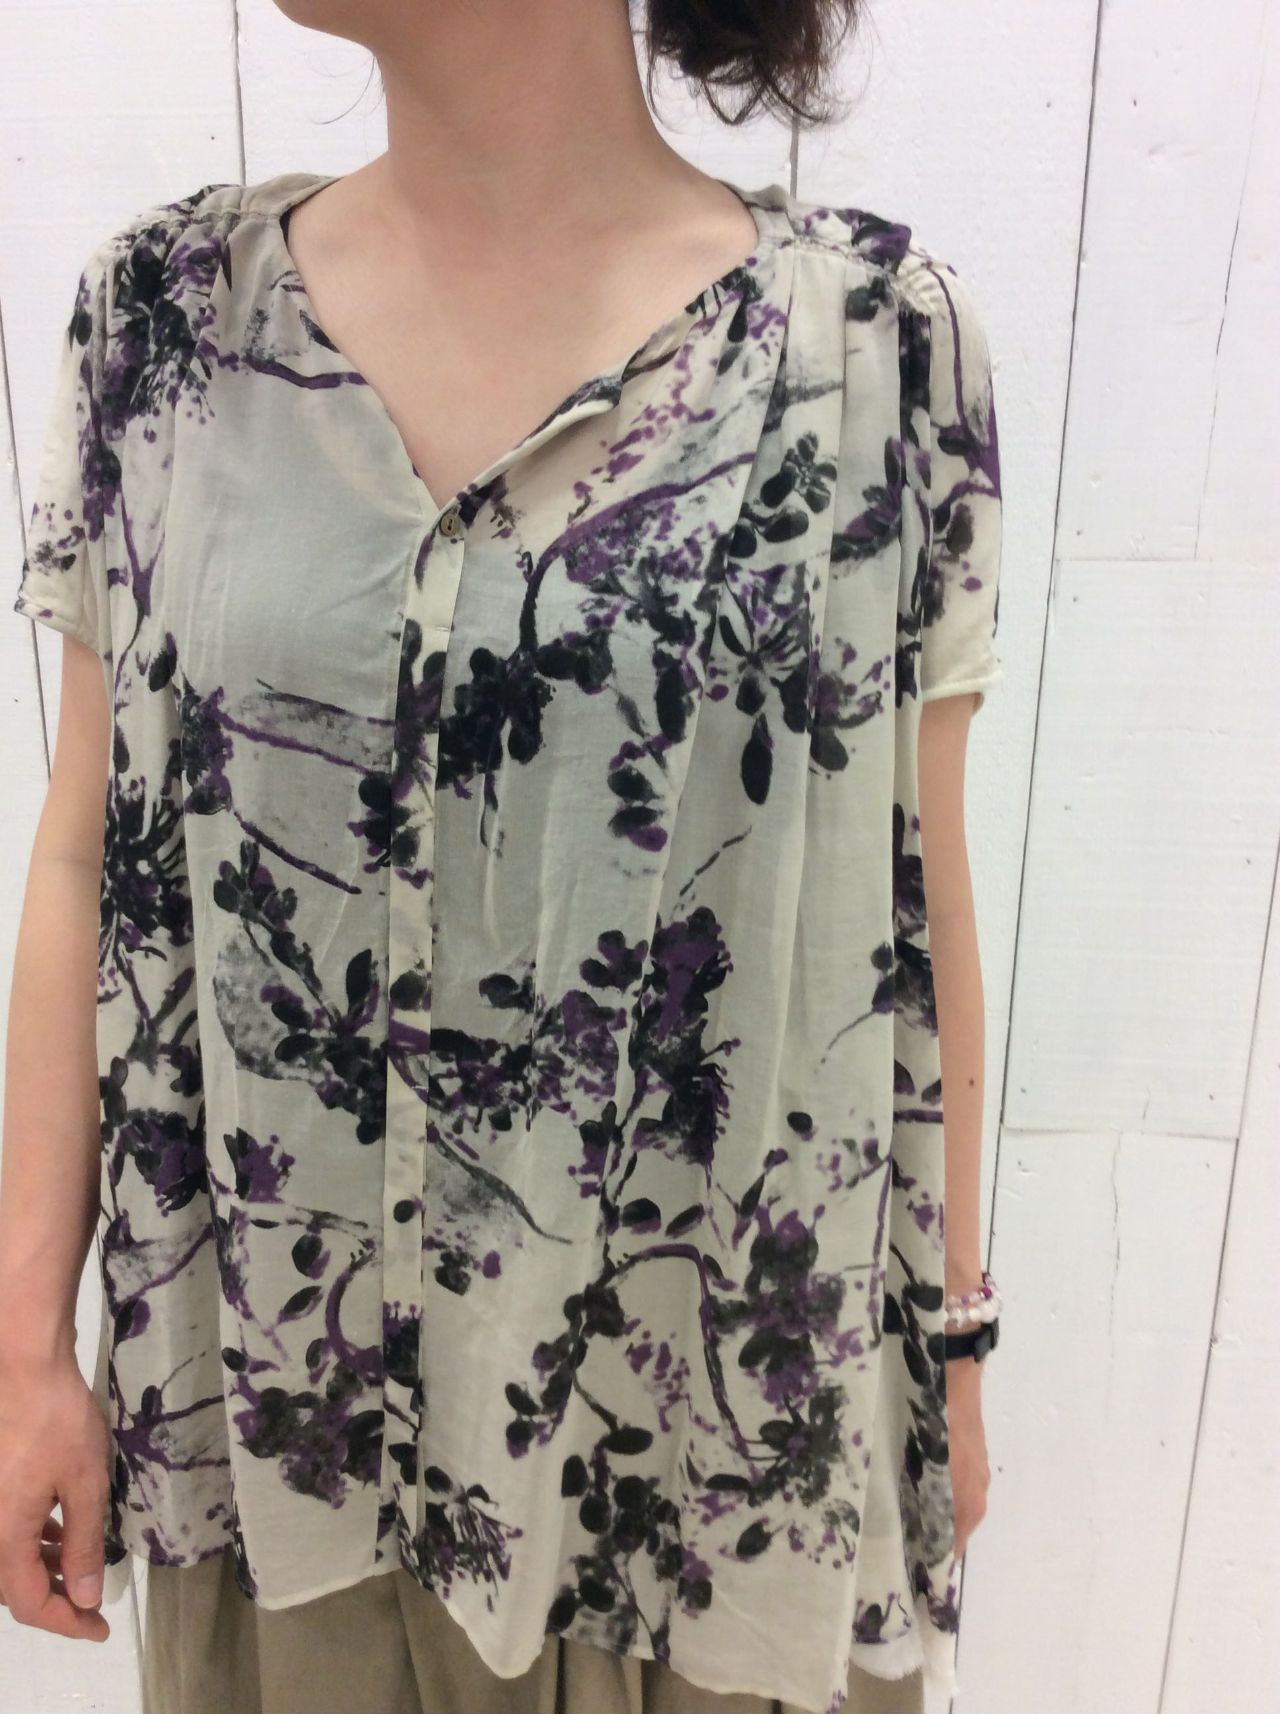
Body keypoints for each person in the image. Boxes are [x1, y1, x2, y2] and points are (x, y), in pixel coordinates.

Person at [0, 2, 1005, 1711]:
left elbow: (915, 913)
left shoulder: (875, 351)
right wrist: (28, 1343)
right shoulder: (165, 326)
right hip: (287, 1467)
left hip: (702, 1484)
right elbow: (83, 853)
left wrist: (953, 1350)